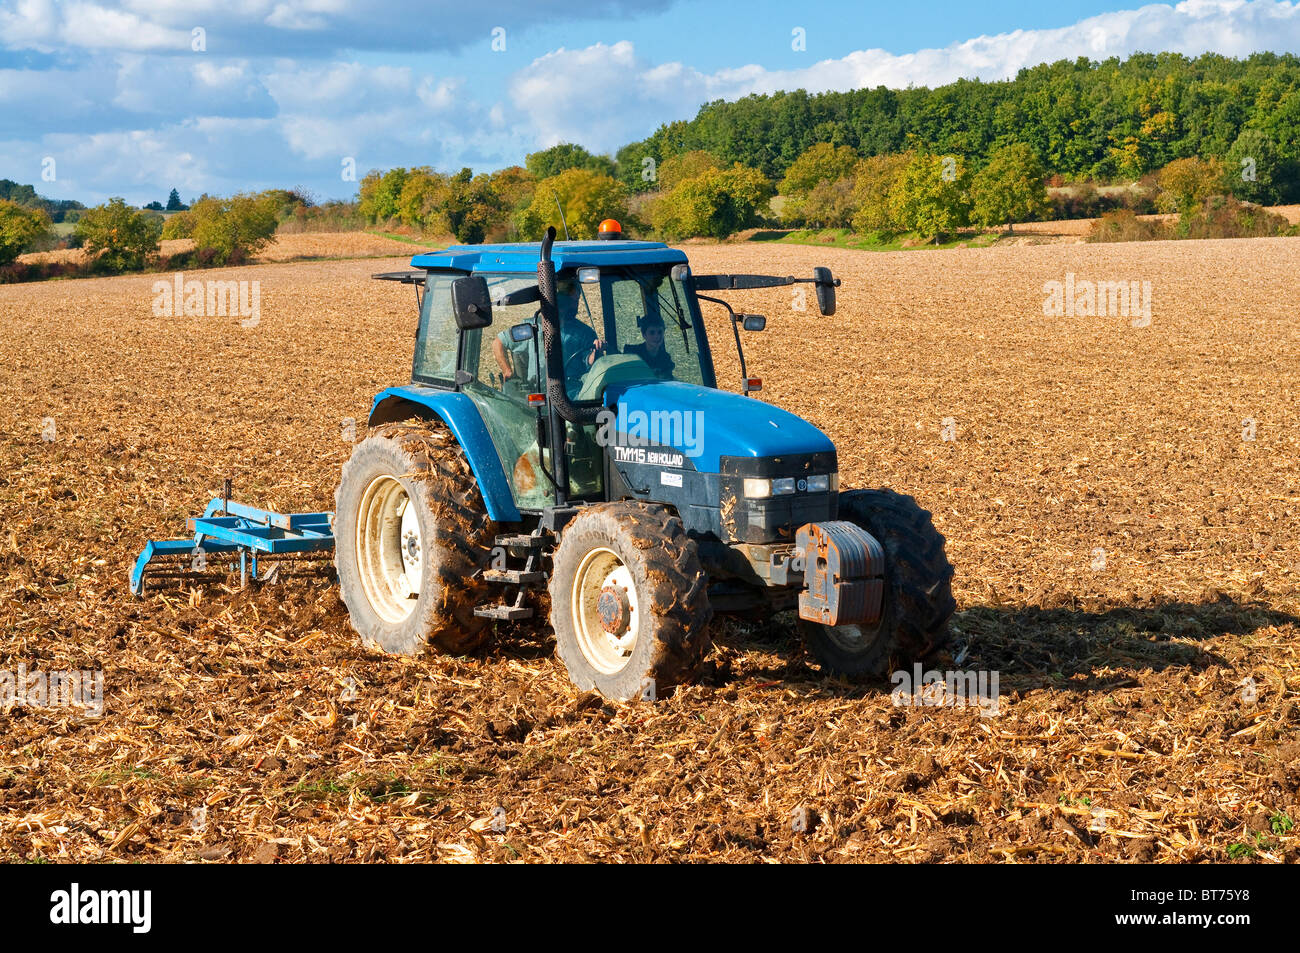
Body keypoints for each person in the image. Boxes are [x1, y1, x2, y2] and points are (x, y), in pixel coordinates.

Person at [492, 277, 604, 388]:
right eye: (569, 300)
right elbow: (499, 342)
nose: (574, 305)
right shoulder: (532, 327)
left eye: (576, 300)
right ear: (556, 300)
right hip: (538, 391)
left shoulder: (585, 333)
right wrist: (507, 371)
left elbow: (589, 363)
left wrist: (595, 355)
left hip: (572, 392)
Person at [623, 314, 675, 379]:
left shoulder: (666, 359)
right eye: (652, 333)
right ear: (644, 335)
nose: (657, 336)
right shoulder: (632, 354)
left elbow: (668, 382)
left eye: (660, 332)